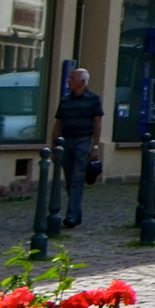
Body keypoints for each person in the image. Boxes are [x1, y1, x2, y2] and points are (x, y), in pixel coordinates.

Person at [52, 66, 104, 230]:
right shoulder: (65, 100)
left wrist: (95, 146)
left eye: (72, 78)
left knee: (77, 178)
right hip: (67, 140)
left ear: (82, 81)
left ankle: (72, 215)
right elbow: (58, 123)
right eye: (69, 78)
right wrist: (54, 145)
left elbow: (97, 123)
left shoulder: (93, 99)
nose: (69, 81)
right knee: (69, 178)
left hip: (83, 140)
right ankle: (76, 212)